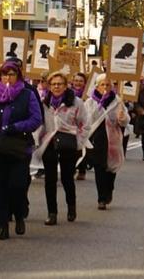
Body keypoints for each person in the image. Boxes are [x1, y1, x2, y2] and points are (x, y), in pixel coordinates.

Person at [0, 61, 42, 240]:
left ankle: (19, 214)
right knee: (1, 188)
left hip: (19, 147)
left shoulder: (27, 94)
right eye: (4, 74)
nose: (8, 78)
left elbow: (36, 119)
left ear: (18, 76)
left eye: (12, 74)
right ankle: (2, 225)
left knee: (17, 185)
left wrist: (16, 127)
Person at [39, 70, 86, 225]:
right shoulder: (45, 103)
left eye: (59, 84)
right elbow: (41, 124)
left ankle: (71, 207)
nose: (56, 87)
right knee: (50, 180)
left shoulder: (76, 102)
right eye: (53, 84)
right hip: (50, 144)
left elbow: (84, 125)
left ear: (66, 86)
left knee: (67, 178)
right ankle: (52, 213)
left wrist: (78, 143)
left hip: (68, 143)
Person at [85, 74, 128, 210]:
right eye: (102, 84)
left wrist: (122, 118)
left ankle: (109, 189)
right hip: (97, 138)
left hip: (113, 138)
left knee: (111, 167)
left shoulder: (117, 101)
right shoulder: (90, 102)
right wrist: (100, 105)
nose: (105, 87)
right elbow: (87, 120)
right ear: (97, 86)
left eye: (108, 85)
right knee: (99, 167)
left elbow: (125, 120)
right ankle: (101, 198)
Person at [71, 72, 90, 182]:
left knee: (82, 146)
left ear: (85, 83)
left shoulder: (88, 95)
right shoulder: (68, 94)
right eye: (76, 80)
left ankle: (82, 170)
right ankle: (72, 168)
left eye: (81, 81)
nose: (78, 83)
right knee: (71, 148)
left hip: (83, 123)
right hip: (71, 124)